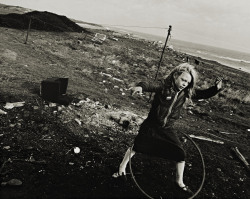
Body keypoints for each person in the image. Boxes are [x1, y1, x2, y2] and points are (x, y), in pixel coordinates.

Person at [112, 63, 223, 195]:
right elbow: (149, 84)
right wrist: (141, 87)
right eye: (183, 79)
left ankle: (179, 182)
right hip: (151, 125)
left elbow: (202, 94)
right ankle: (122, 168)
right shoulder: (164, 86)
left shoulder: (186, 92)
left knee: (180, 154)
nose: (185, 83)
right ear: (176, 76)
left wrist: (215, 89)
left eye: (187, 82)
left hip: (167, 128)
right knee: (137, 147)